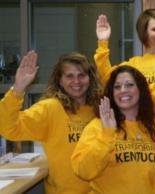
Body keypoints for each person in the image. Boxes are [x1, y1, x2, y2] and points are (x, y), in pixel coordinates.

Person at [0, 51, 103, 193]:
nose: (77, 81)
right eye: (69, 76)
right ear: (60, 80)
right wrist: (18, 89)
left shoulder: (100, 109)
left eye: (81, 75)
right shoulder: (50, 108)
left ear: (90, 78)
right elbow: (9, 128)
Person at [71, 65, 155, 194]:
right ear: (112, 93)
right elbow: (83, 171)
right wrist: (106, 135)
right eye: (117, 87)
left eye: (129, 85)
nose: (123, 90)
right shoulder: (97, 126)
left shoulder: (150, 127)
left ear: (140, 90)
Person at [94, 9, 155, 107]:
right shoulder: (134, 64)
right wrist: (103, 42)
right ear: (144, 32)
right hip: (143, 119)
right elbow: (107, 77)